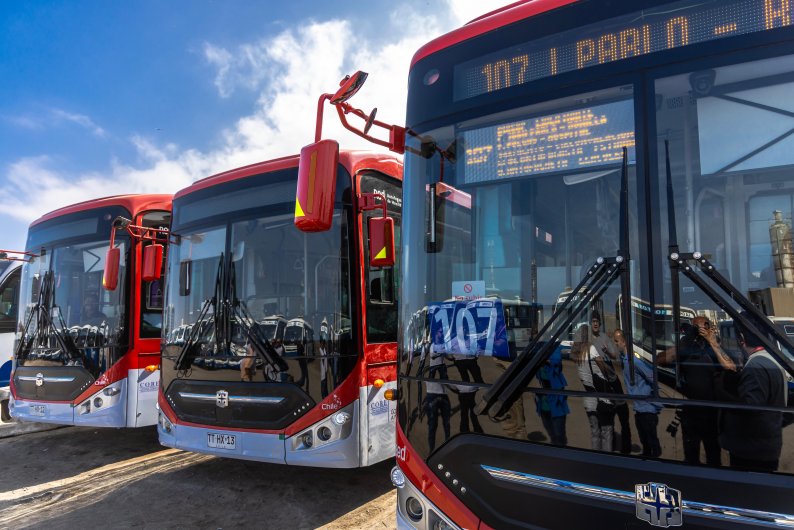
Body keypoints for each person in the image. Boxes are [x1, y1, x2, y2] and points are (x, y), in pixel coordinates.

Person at [659, 316, 735, 466]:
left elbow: (731, 367)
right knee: (691, 456)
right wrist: (686, 340)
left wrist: (713, 342)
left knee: (713, 455)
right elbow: (659, 359)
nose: (701, 330)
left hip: (711, 413)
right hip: (690, 413)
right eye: (697, 327)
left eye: (705, 326)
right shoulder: (685, 348)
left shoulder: (713, 350)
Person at [719, 316, 788, 471]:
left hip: (751, 451)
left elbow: (750, 407)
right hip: (765, 446)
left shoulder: (755, 366)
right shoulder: (771, 360)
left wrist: (721, 394)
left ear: (742, 338)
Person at [614, 329, 662, 457]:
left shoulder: (634, 361)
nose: (615, 343)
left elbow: (652, 376)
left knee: (652, 444)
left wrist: (653, 398)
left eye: (617, 341)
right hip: (639, 409)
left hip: (647, 410)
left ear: (624, 342)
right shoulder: (625, 360)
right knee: (645, 442)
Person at [590, 311, 631, 454]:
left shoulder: (605, 338)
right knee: (607, 420)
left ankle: (626, 448)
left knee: (623, 416)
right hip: (600, 384)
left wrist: (607, 352)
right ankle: (610, 449)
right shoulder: (587, 340)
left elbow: (615, 356)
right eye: (593, 321)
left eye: (597, 321)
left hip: (613, 381)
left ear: (600, 323)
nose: (595, 323)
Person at [573, 324, 614, 451]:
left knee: (595, 432)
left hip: (588, 399)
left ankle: (596, 458)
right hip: (601, 398)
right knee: (606, 431)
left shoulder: (577, 353)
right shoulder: (592, 349)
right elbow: (605, 370)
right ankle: (607, 461)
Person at [534, 348, 569, 446]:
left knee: (559, 435)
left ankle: (560, 454)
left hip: (556, 400)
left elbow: (556, 361)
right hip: (544, 400)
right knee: (551, 433)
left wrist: (541, 358)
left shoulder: (553, 348)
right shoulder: (536, 348)